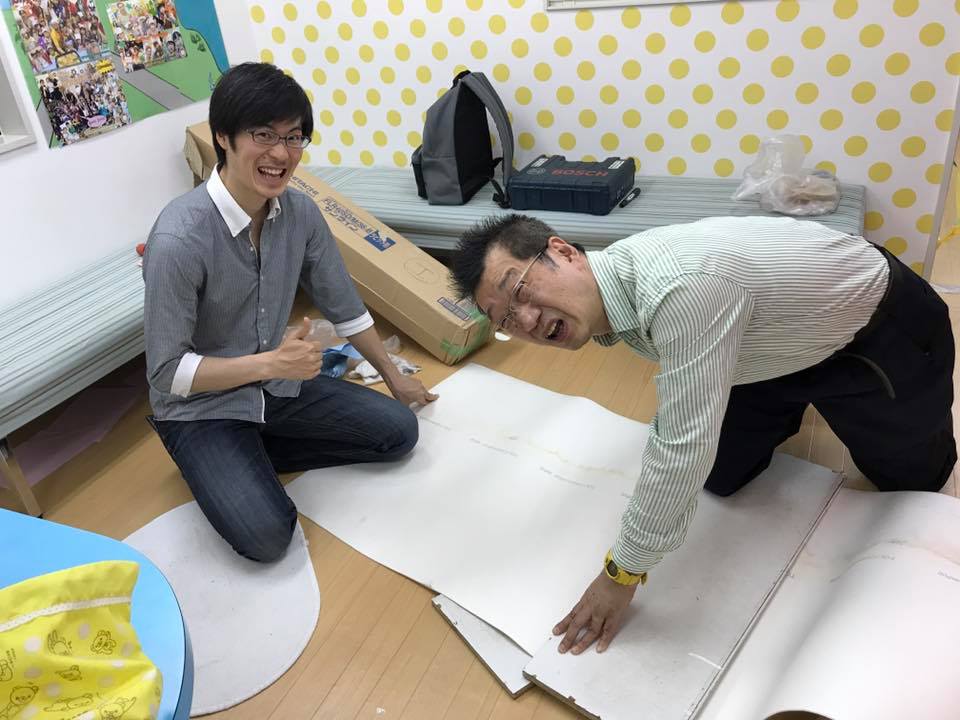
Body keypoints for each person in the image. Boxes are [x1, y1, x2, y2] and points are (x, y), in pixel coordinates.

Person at [451, 213, 954, 654]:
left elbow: (682, 446)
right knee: (722, 476)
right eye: (505, 319)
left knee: (915, 483)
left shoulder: (681, 288)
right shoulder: (615, 288)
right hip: (765, 348)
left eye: (520, 290)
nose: (528, 320)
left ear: (563, 252)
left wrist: (621, 574)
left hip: (874, 329)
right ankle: (791, 400)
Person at [143, 62, 437, 563]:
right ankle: (207, 458)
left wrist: (393, 377)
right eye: (263, 135)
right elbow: (168, 374)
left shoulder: (300, 213)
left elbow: (345, 307)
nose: (281, 154)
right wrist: (270, 363)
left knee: (399, 433)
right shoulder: (178, 239)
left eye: (294, 137)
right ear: (223, 137)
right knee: (268, 538)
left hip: (276, 387)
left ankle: (248, 457)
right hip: (201, 408)